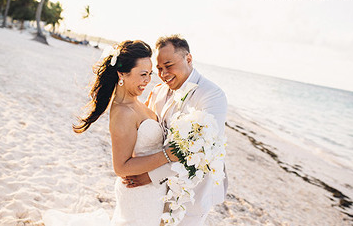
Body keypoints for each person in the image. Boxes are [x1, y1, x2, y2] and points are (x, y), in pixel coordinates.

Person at [43, 40, 178, 226]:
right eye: (143, 74)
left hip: (151, 191)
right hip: (139, 196)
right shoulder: (123, 112)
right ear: (122, 73)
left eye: (150, 74)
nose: (148, 80)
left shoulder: (136, 102)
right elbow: (121, 167)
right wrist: (167, 155)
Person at [122, 35, 228, 226]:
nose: (163, 74)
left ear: (188, 59)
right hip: (154, 192)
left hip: (191, 193)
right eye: (159, 69)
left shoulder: (212, 95)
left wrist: (149, 176)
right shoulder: (158, 91)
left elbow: (201, 152)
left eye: (168, 65)